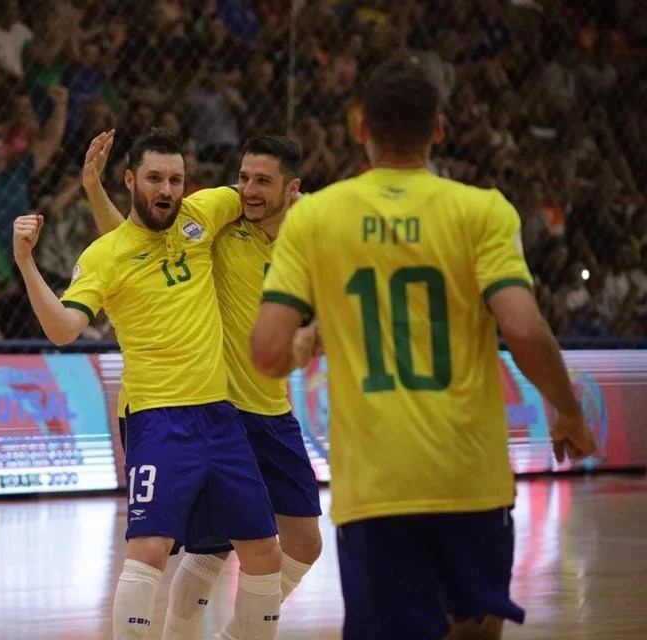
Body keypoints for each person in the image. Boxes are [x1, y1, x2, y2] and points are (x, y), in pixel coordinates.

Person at [251, 55, 598, 640]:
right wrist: (567, 410)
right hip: (471, 478)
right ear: (439, 129)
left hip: (375, 486)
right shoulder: (482, 211)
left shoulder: (315, 218)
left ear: (360, 128)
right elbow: (525, 330)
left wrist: (305, 343)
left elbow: (266, 353)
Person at [13, 129, 283, 640]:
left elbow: (259, 192)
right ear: (130, 181)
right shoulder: (106, 255)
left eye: (175, 180)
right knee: (150, 549)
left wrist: (297, 203)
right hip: (158, 418)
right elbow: (63, 330)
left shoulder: (203, 213)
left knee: (264, 551)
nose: (166, 189)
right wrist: (26, 261)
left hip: (220, 416)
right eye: (155, 178)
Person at [83, 132, 324, 639]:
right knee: (212, 548)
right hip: (218, 407)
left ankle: (230, 633)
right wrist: (94, 189)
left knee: (304, 544)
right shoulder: (219, 225)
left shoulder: (309, 239)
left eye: (263, 181)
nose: (248, 190)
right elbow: (131, 243)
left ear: (291, 188)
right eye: (243, 178)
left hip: (271, 407)